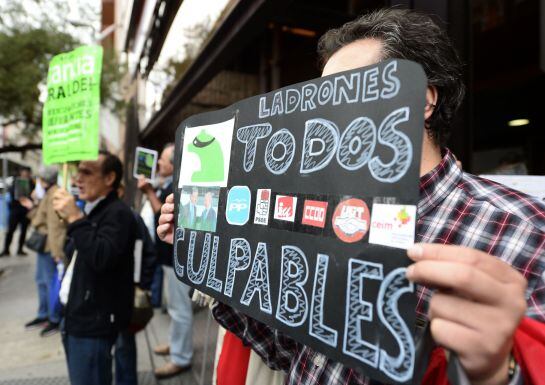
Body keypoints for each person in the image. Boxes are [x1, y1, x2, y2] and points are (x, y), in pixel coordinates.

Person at [157, 9, 545, 385]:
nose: (328, 111)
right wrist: (209, 258)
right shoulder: (317, 213)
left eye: (351, 90)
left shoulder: (521, 230)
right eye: (323, 96)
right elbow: (285, 351)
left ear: (422, 100)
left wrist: (499, 371)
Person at [53, 151, 137, 385]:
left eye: (87, 172)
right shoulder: (94, 208)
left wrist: (76, 219)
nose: (77, 179)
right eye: (77, 171)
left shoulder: (118, 213)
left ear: (109, 178)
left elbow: (101, 256)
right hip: (78, 316)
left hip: (93, 322)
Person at [138, 143, 193, 379]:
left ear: (175, 164)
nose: (158, 163)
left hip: (176, 259)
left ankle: (181, 357)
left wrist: (149, 192)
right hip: (167, 258)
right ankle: (175, 344)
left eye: (163, 160)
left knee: (181, 310)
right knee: (174, 308)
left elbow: (164, 216)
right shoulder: (167, 184)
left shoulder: (181, 186)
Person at [114, 183, 157, 385]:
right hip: (101, 300)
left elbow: (148, 253)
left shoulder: (131, 218)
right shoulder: (90, 215)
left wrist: (142, 285)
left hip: (125, 294)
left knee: (124, 345)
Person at [22, 166, 67, 336]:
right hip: (45, 246)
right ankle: (44, 314)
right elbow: (39, 218)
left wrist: (56, 252)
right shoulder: (48, 194)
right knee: (41, 281)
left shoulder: (54, 193)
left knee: (49, 283)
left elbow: (55, 226)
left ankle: (54, 318)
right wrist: (31, 205)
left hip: (50, 247)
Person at [1, 167, 33, 257]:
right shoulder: (15, 181)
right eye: (24, 171)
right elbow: (11, 193)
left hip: (25, 211)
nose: (25, 173)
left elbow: (33, 195)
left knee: (23, 231)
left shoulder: (31, 183)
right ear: (21, 172)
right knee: (10, 230)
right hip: (15, 210)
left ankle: (20, 249)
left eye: (27, 172)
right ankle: (6, 249)